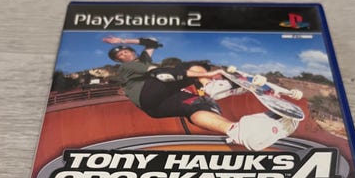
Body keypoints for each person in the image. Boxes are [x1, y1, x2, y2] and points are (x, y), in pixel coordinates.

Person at [103, 35, 299, 151]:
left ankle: (237, 131)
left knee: (197, 105)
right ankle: (212, 85)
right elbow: (158, 73)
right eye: (120, 55)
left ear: (132, 51)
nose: (124, 54)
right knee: (181, 68)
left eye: (126, 51)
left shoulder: (143, 58)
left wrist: (122, 40)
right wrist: (209, 74)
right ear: (118, 60)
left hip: (158, 106)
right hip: (147, 94)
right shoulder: (127, 68)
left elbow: (151, 42)